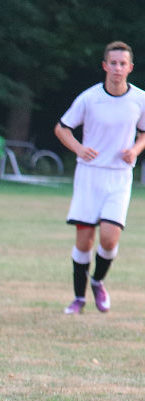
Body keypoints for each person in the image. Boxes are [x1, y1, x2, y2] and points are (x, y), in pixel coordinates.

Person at [54, 41, 145, 315]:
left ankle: (98, 281)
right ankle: (78, 299)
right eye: (113, 63)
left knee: (109, 239)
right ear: (105, 66)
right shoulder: (89, 98)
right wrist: (79, 149)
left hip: (119, 177)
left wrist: (135, 150)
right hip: (89, 175)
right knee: (84, 240)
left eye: (122, 64)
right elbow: (62, 128)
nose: (117, 68)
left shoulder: (139, 99)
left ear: (130, 67)